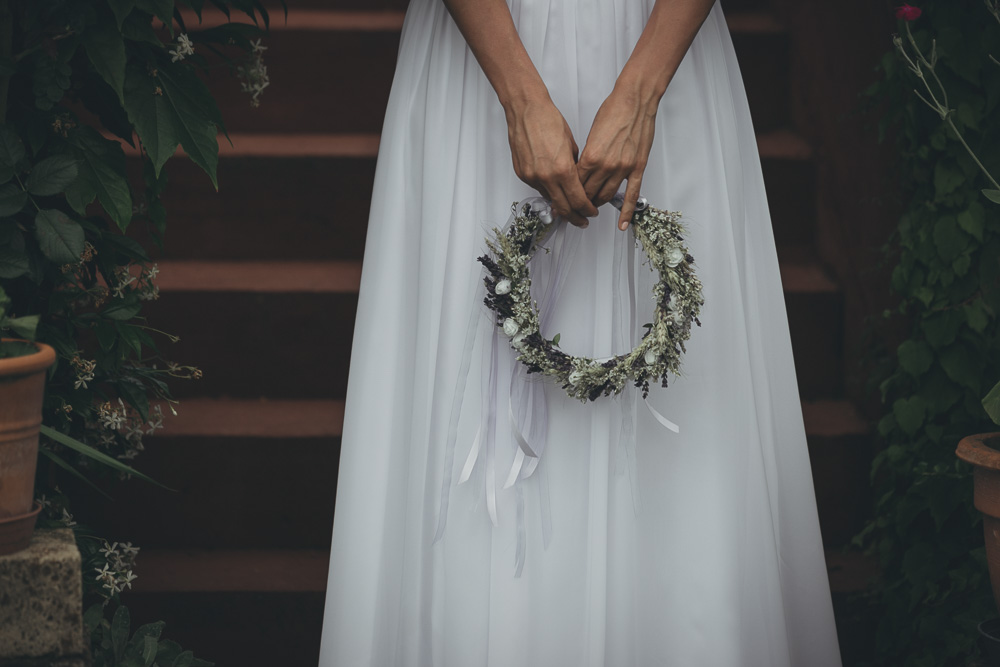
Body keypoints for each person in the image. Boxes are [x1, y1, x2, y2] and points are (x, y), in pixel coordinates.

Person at [319, 0, 844, 665]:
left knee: (686, 453)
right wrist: (518, 96)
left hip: (664, 50)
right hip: (479, 63)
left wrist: (644, 89)